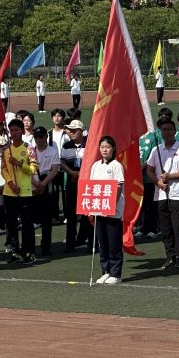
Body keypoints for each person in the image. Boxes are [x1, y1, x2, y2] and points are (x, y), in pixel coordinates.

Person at [147, 118, 179, 270]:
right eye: (163, 130)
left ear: (175, 131)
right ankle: (170, 256)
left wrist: (170, 176)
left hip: (177, 194)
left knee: (177, 226)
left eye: (169, 129)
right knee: (165, 228)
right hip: (160, 194)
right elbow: (150, 170)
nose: (166, 132)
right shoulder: (156, 150)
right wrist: (158, 183)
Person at [1, 119, 38, 265]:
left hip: (25, 192)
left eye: (16, 130)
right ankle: (15, 252)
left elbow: (33, 169)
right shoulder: (6, 150)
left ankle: (29, 251)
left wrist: (19, 164)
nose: (14, 133)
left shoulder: (29, 148)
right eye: (11, 131)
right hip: (10, 193)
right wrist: (10, 184)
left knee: (27, 223)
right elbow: (3, 170)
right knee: (11, 224)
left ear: (22, 131)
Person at [91, 136, 125, 284]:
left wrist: (110, 205)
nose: (104, 150)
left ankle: (116, 273)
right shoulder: (96, 166)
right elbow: (92, 187)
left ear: (113, 149)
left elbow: (118, 187)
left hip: (113, 211)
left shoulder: (116, 166)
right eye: (102, 147)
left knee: (113, 242)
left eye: (108, 147)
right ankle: (105, 270)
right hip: (99, 210)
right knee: (102, 242)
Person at [60, 119, 90, 252]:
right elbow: (62, 162)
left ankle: (84, 240)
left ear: (81, 131)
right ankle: (70, 243)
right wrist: (72, 172)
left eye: (74, 130)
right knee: (71, 213)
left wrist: (82, 173)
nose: (71, 133)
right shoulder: (66, 146)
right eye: (69, 130)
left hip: (86, 182)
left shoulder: (90, 144)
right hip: (72, 182)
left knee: (86, 213)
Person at [31, 126, 59, 256]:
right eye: (36, 137)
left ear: (46, 137)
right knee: (31, 219)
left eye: (41, 136)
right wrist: (35, 184)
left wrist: (42, 184)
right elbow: (26, 170)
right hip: (32, 184)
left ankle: (46, 246)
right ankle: (30, 246)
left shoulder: (52, 151)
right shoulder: (30, 151)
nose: (39, 139)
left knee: (47, 220)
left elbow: (54, 170)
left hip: (46, 182)